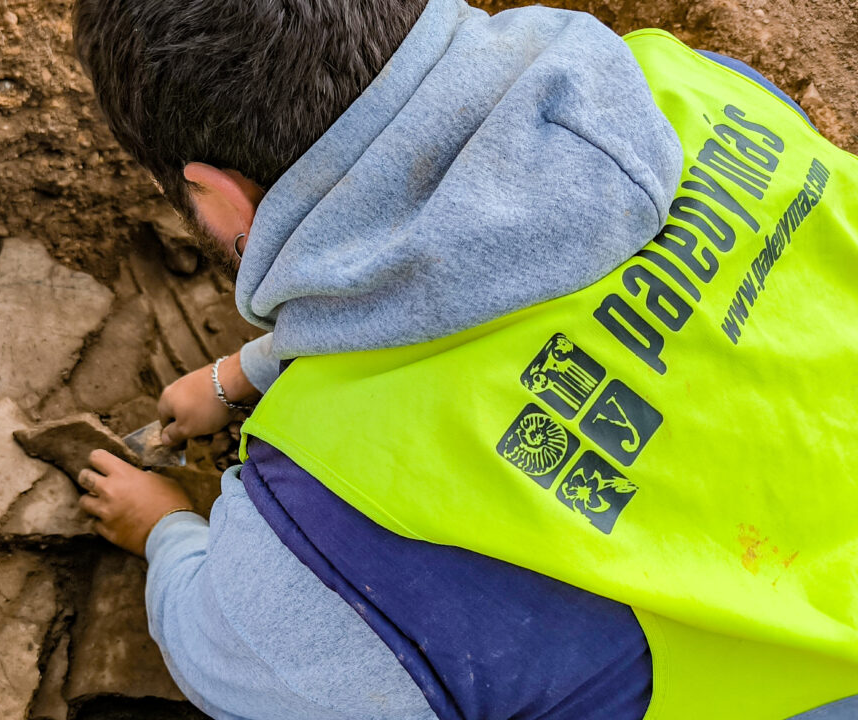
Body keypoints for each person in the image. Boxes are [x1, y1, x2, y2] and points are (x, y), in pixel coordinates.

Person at [71, 0, 858, 718]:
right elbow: (521, 264)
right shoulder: (691, 85)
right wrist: (243, 374)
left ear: (216, 194)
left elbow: (221, 645)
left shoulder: (325, 567)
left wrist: (165, 529)